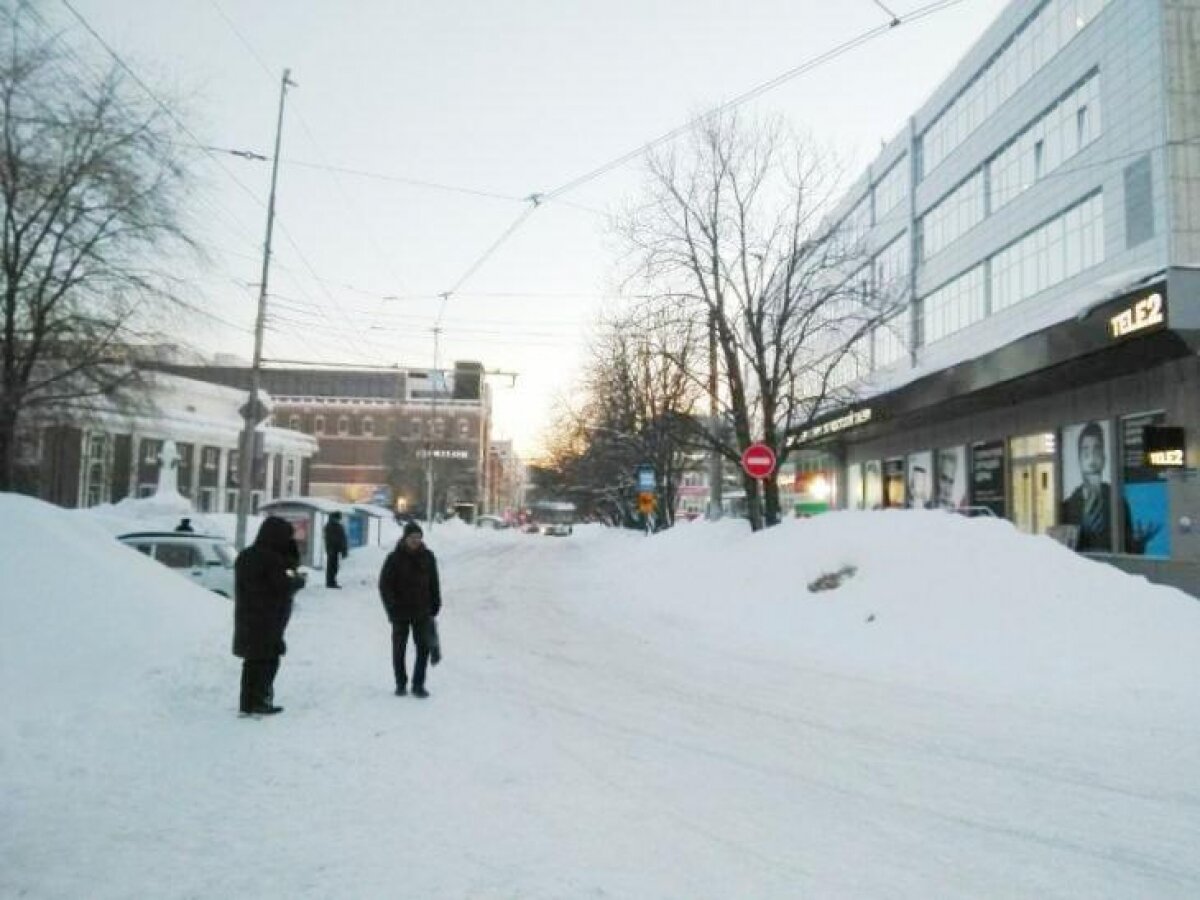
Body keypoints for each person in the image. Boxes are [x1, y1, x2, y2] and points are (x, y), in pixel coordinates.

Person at [232, 516, 305, 717]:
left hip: (247, 616)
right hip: (268, 617)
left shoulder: (245, 556)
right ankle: (261, 701)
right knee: (268, 661)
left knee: (251, 662)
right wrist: (297, 582)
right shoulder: (272, 559)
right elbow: (282, 586)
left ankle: (246, 703)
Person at [378, 521, 442, 698]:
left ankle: (418, 685)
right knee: (399, 649)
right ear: (405, 538)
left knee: (423, 648)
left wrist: (436, 603)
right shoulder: (394, 558)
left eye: (418, 537)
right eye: (412, 537)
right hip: (400, 612)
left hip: (422, 610)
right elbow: (385, 585)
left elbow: (434, 582)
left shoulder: (428, 557)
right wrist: (391, 607)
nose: (416, 541)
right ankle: (400, 683)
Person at [1061, 422, 1129, 552]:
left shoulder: (1118, 502)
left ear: (1104, 458)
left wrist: (1139, 545)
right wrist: (1082, 531)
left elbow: (1127, 545)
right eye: (1085, 452)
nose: (1091, 459)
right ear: (1079, 460)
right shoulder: (1069, 505)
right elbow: (1065, 548)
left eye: (1097, 450)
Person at [323, 511, 349, 588]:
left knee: (333, 566)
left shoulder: (331, 526)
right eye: (338, 518)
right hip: (333, 549)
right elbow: (340, 539)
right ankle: (330, 582)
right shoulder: (334, 526)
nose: (339, 520)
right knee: (332, 566)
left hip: (333, 549)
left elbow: (341, 539)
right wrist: (343, 550)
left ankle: (331, 581)